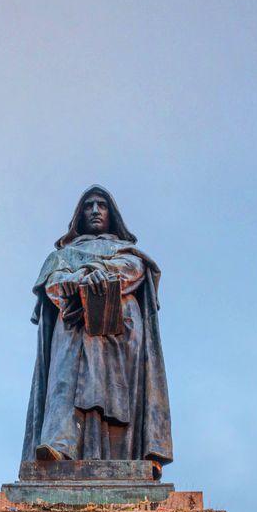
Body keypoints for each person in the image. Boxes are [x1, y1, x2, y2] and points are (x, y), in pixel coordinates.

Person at [22, 186, 172, 468]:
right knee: (64, 383)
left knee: (116, 393)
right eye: (88, 206)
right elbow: (52, 285)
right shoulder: (60, 256)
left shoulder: (127, 253)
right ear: (79, 215)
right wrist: (84, 279)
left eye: (101, 205)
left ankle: (123, 458)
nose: (94, 211)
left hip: (120, 329)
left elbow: (134, 270)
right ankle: (60, 447)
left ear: (111, 214)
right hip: (73, 326)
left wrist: (86, 274)